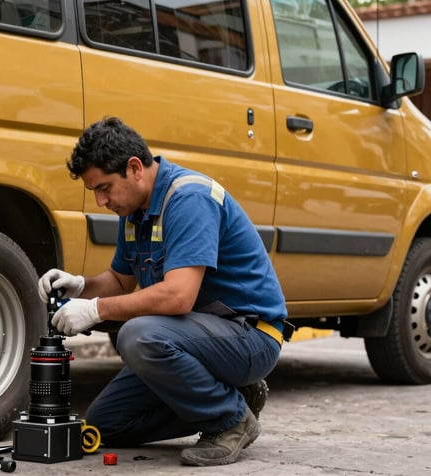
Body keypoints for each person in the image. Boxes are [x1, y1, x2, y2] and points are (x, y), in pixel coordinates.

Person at [37, 116, 290, 466]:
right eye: (94, 190)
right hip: (200, 338)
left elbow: (177, 297)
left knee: (139, 336)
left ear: (135, 168)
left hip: (250, 336)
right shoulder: (136, 211)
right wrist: (80, 286)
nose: (100, 201)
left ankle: (230, 420)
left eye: (105, 188)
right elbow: (120, 279)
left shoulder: (189, 198)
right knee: (105, 425)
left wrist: (96, 310)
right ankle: (233, 398)